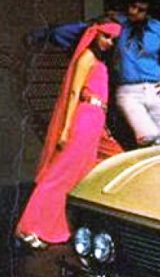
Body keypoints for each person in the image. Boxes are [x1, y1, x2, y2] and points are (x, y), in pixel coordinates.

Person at [16, 21, 123, 249]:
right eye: (106, 36)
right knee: (61, 173)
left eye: (113, 39)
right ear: (95, 34)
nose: (109, 42)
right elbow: (74, 93)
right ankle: (29, 228)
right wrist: (65, 129)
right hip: (83, 119)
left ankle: (63, 226)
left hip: (96, 120)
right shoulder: (86, 57)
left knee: (106, 164)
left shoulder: (100, 61)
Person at [115, 0, 160, 147]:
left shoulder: (158, 28)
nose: (134, 12)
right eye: (132, 6)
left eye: (140, 10)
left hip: (156, 89)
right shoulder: (119, 25)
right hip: (129, 91)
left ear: (148, 12)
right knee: (148, 135)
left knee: (158, 146)